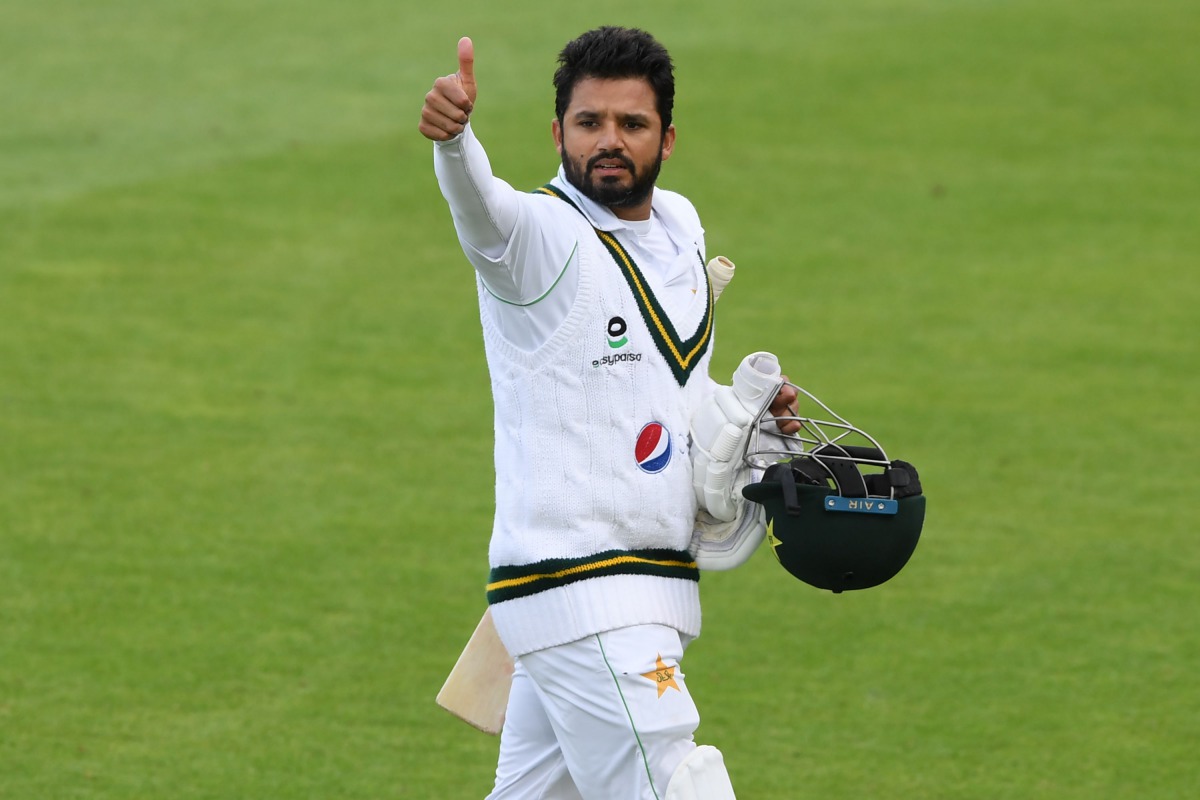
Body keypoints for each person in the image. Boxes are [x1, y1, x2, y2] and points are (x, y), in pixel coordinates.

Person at [419, 26, 797, 799]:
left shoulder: (682, 232)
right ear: (558, 132)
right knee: (681, 787)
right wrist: (456, 144)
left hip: (642, 588)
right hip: (586, 592)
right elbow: (481, 209)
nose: (609, 142)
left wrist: (747, 418)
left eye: (632, 123)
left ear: (668, 137)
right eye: (589, 123)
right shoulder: (535, 239)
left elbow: (665, 390)